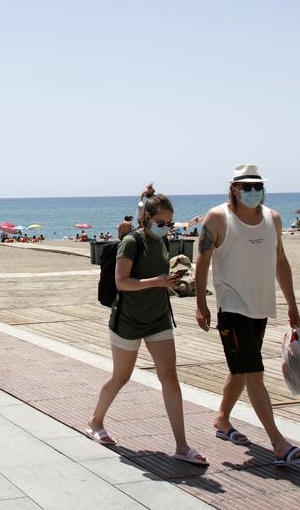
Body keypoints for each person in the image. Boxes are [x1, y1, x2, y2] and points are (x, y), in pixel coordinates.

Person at [193, 164, 300, 466]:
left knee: (242, 371)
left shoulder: (273, 219)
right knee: (255, 373)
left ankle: (221, 420)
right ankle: (278, 443)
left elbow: (280, 261)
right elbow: (202, 260)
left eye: (256, 186)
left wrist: (292, 303)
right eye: (246, 187)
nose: (252, 191)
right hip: (232, 307)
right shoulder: (218, 218)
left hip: (261, 307)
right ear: (233, 188)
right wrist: (200, 302)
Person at [86, 187, 208, 466]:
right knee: (121, 377)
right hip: (128, 320)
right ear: (147, 218)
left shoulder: (161, 242)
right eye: (161, 223)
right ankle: (95, 421)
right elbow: (121, 282)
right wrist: (157, 281)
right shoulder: (131, 242)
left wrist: (168, 280)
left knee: (170, 377)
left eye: (169, 223)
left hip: (158, 317)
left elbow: (157, 273)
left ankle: (181, 445)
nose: (167, 228)